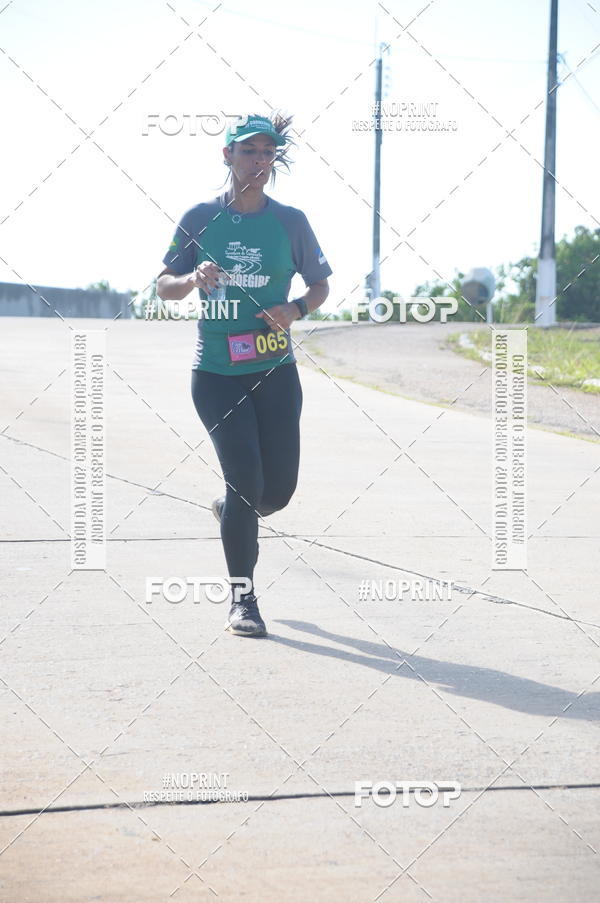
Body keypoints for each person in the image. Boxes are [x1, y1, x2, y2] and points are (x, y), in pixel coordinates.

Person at [157, 112, 332, 637]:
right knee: (245, 480)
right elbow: (163, 284)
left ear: (274, 159)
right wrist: (191, 278)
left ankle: (231, 508)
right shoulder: (200, 216)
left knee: (275, 492)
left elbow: (320, 284)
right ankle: (243, 600)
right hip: (216, 374)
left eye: (266, 152)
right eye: (248, 150)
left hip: (276, 370)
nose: (258, 160)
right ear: (227, 156)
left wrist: (297, 309)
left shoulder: (291, 221)